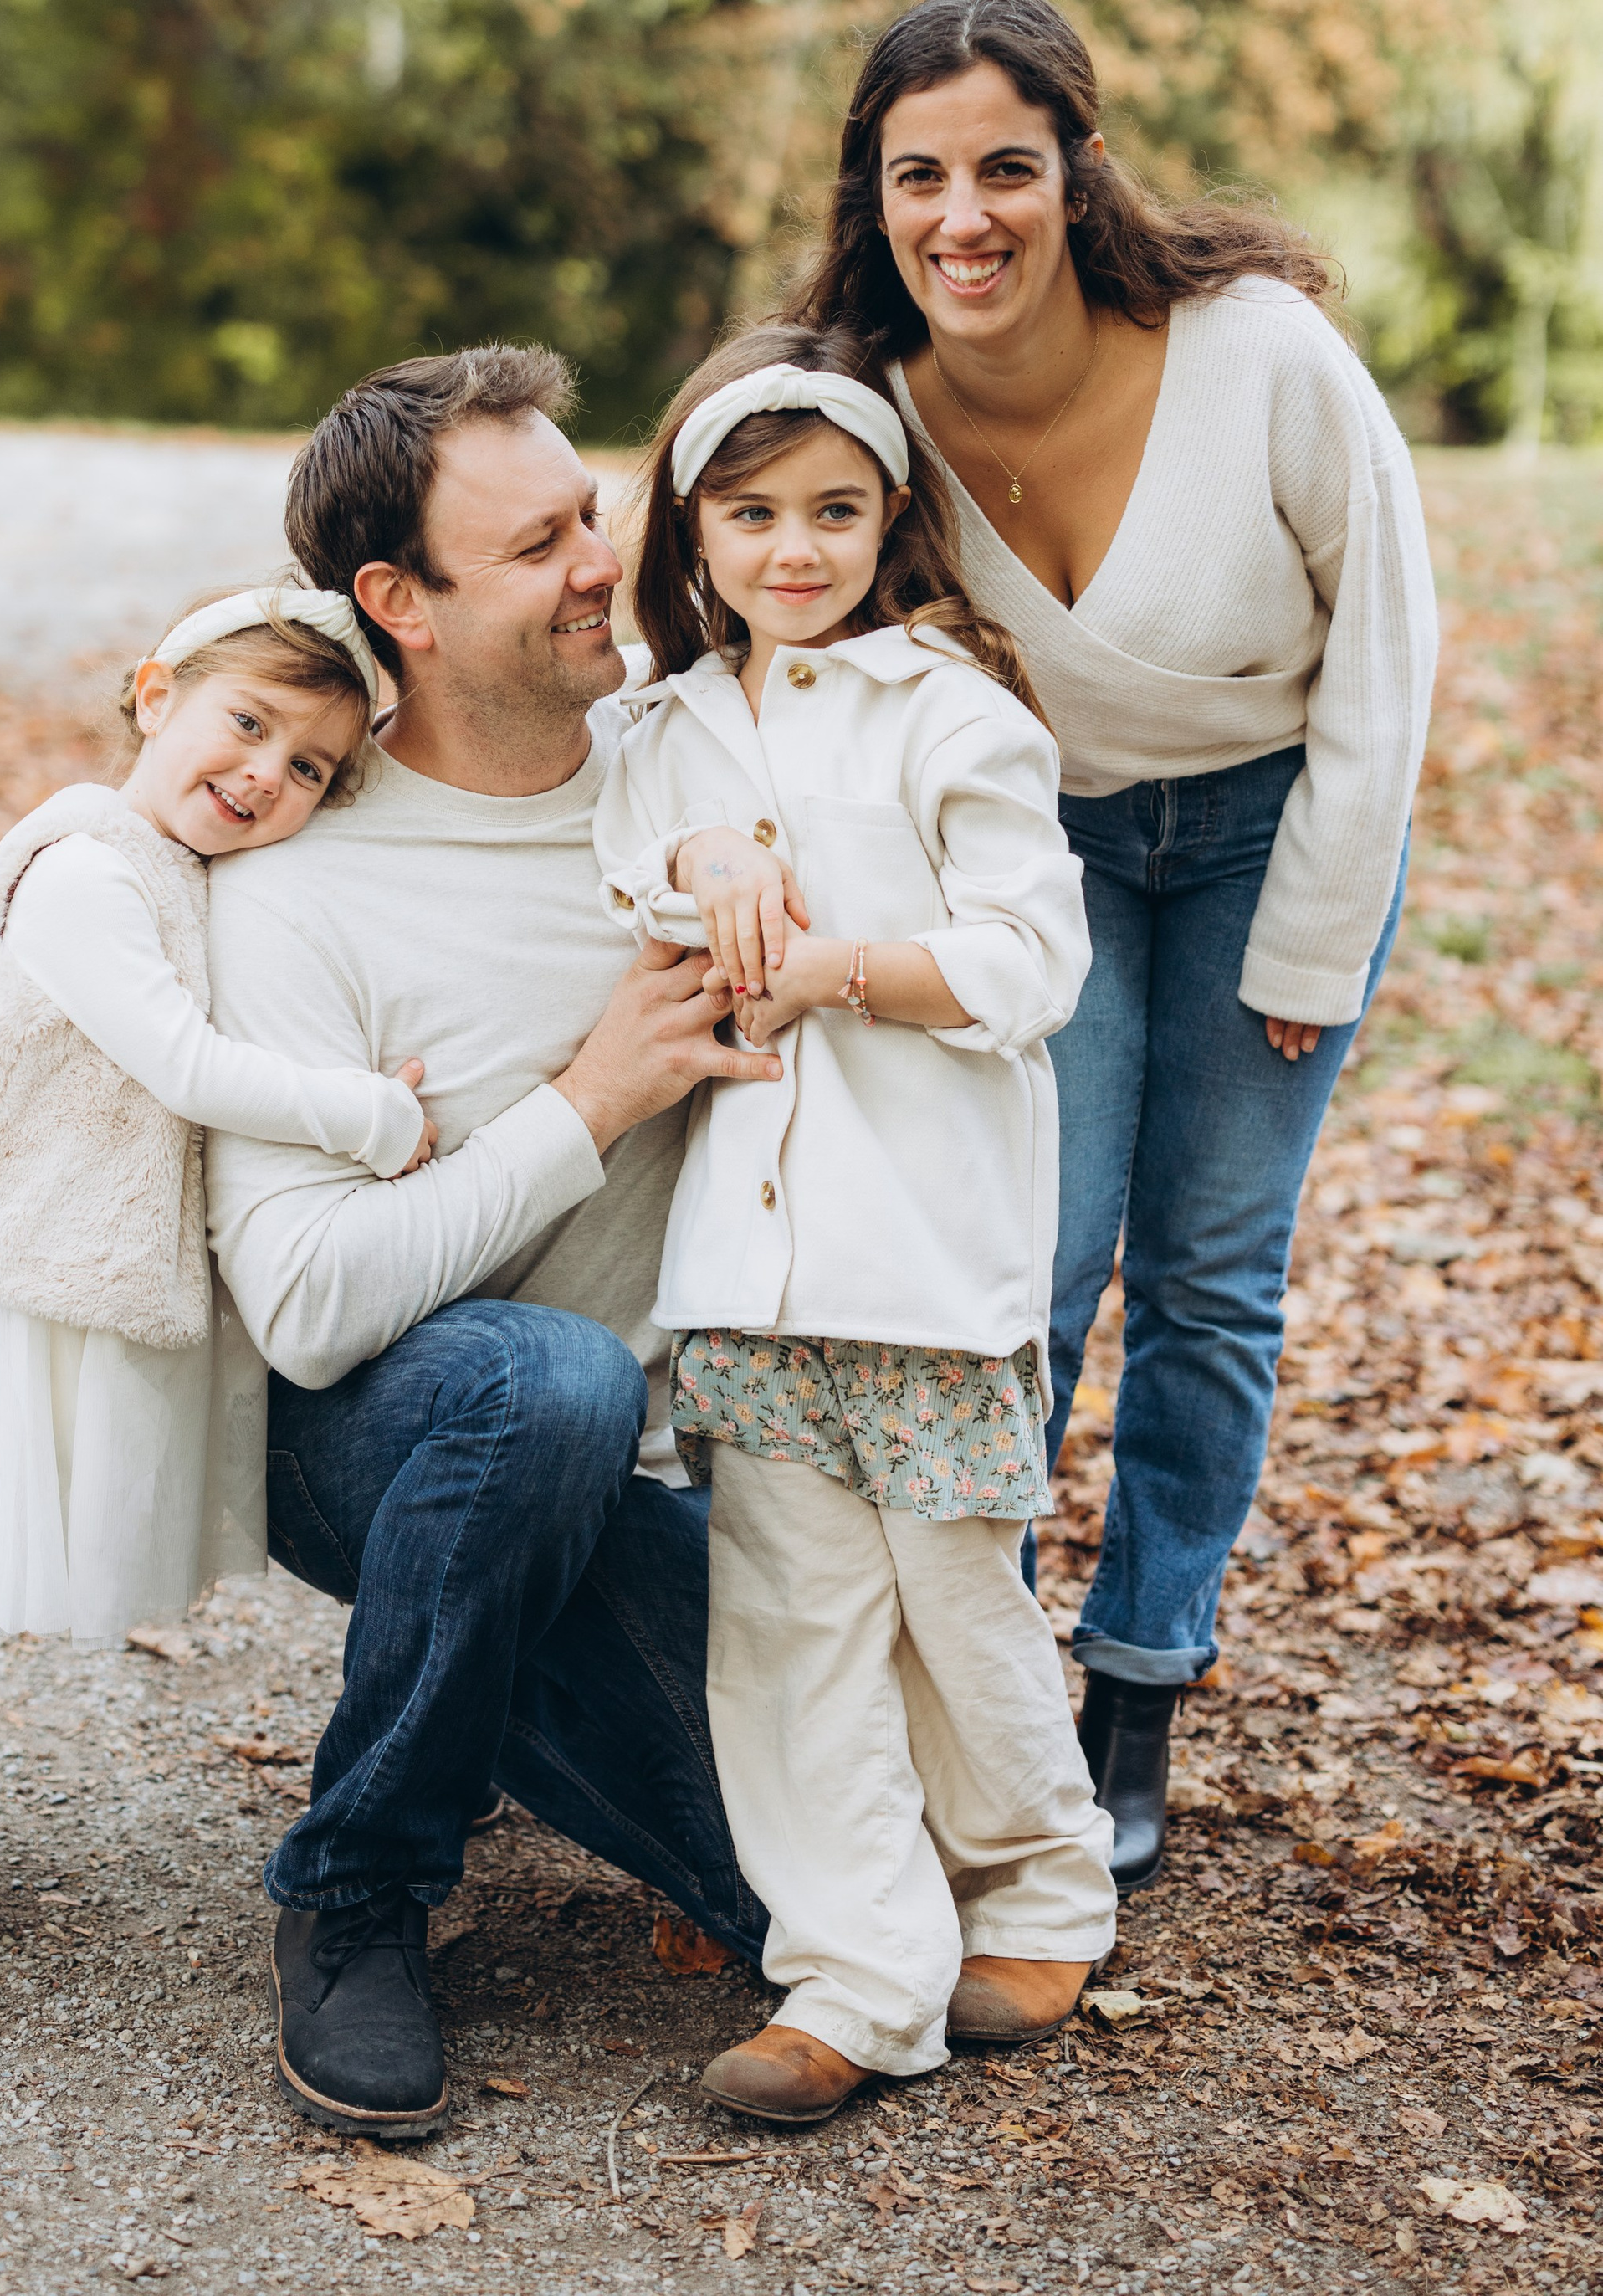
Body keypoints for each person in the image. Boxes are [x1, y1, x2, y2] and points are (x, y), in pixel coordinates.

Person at [792, 0, 1436, 1889]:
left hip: (1271, 830)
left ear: (1076, 170)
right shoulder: (863, 399)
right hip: (1036, 859)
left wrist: (1309, 954)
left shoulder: (1258, 352)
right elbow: (741, 594)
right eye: (921, 176)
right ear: (876, 193)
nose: (962, 215)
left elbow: (1383, 668)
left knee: (1213, 1273)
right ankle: (975, 1686)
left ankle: (1136, 1676)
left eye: (1004, 165)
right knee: (1031, 1258)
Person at [204, 345, 784, 2140]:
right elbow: (301, 1315)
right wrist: (589, 1098)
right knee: (537, 1386)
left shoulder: (699, 767)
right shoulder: (302, 877)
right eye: (538, 545)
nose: (602, 562)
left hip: (671, 1461)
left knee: (848, 1909)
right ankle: (361, 1880)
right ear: (402, 603)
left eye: (589, 515)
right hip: (388, 1436)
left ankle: (518, 1680)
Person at [0, 589, 434, 1964]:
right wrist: (371, 1114)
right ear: (155, 692)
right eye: (249, 725)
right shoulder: (86, 869)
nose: (264, 776)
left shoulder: (177, 869)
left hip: (38, 1257)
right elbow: (178, 1060)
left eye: (308, 770)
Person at [592, 324, 1114, 2124]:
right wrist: (705, 866)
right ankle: (856, 1978)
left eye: (830, 511)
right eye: (749, 516)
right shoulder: (657, 727)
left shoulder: (950, 714)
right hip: (743, 1264)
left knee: (953, 1601)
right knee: (794, 1621)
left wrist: (836, 967)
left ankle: (1039, 1887)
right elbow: (626, 858)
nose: (790, 550)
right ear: (691, 532)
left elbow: (1030, 959)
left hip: (925, 1255)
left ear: (888, 518)